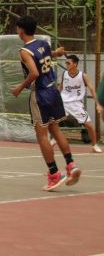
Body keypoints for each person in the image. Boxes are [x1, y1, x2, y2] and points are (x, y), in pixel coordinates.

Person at [11, 15, 81, 191]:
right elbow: (46, 56)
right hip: (53, 91)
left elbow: (34, 73)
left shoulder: (24, 51)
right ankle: (71, 165)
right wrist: (56, 53)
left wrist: (20, 87)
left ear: (21, 30)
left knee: (42, 135)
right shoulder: (43, 43)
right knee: (55, 130)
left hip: (40, 93)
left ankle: (54, 174)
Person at [57, 54, 103, 153]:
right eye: (66, 63)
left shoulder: (82, 75)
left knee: (89, 125)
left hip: (77, 104)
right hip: (64, 102)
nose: (67, 64)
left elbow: (91, 89)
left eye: (69, 63)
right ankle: (53, 140)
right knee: (53, 121)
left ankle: (94, 145)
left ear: (75, 64)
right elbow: (61, 87)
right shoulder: (64, 74)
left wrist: (98, 104)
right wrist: (55, 97)